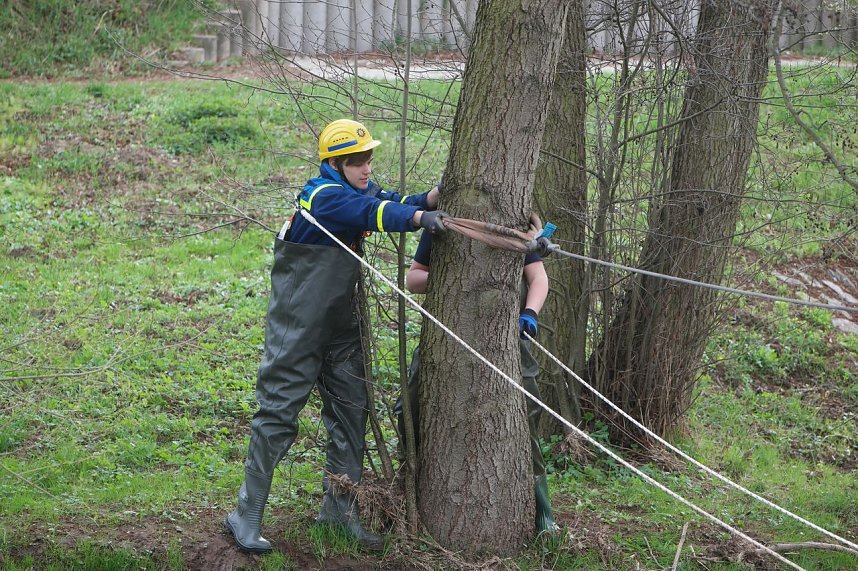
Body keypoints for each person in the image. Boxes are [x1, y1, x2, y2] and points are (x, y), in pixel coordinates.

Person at [225, 118, 448, 554]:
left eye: (369, 158)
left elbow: (388, 201)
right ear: (334, 163)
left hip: (342, 326)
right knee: (278, 414)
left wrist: (430, 200)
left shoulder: (355, 189)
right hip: (297, 327)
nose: (367, 168)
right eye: (358, 161)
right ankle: (246, 514)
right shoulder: (321, 195)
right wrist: (420, 218)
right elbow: (371, 213)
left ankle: (340, 512)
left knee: (352, 410)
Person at [395, 229, 559, 534]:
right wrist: (453, 277)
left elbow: (538, 278)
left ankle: (543, 512)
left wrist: (530, 313)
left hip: (509, 339)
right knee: (411, 405)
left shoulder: (516, 226)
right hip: (446, 336)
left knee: (528, 411)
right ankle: (406, 496)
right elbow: (413, 279)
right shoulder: (443, 226)